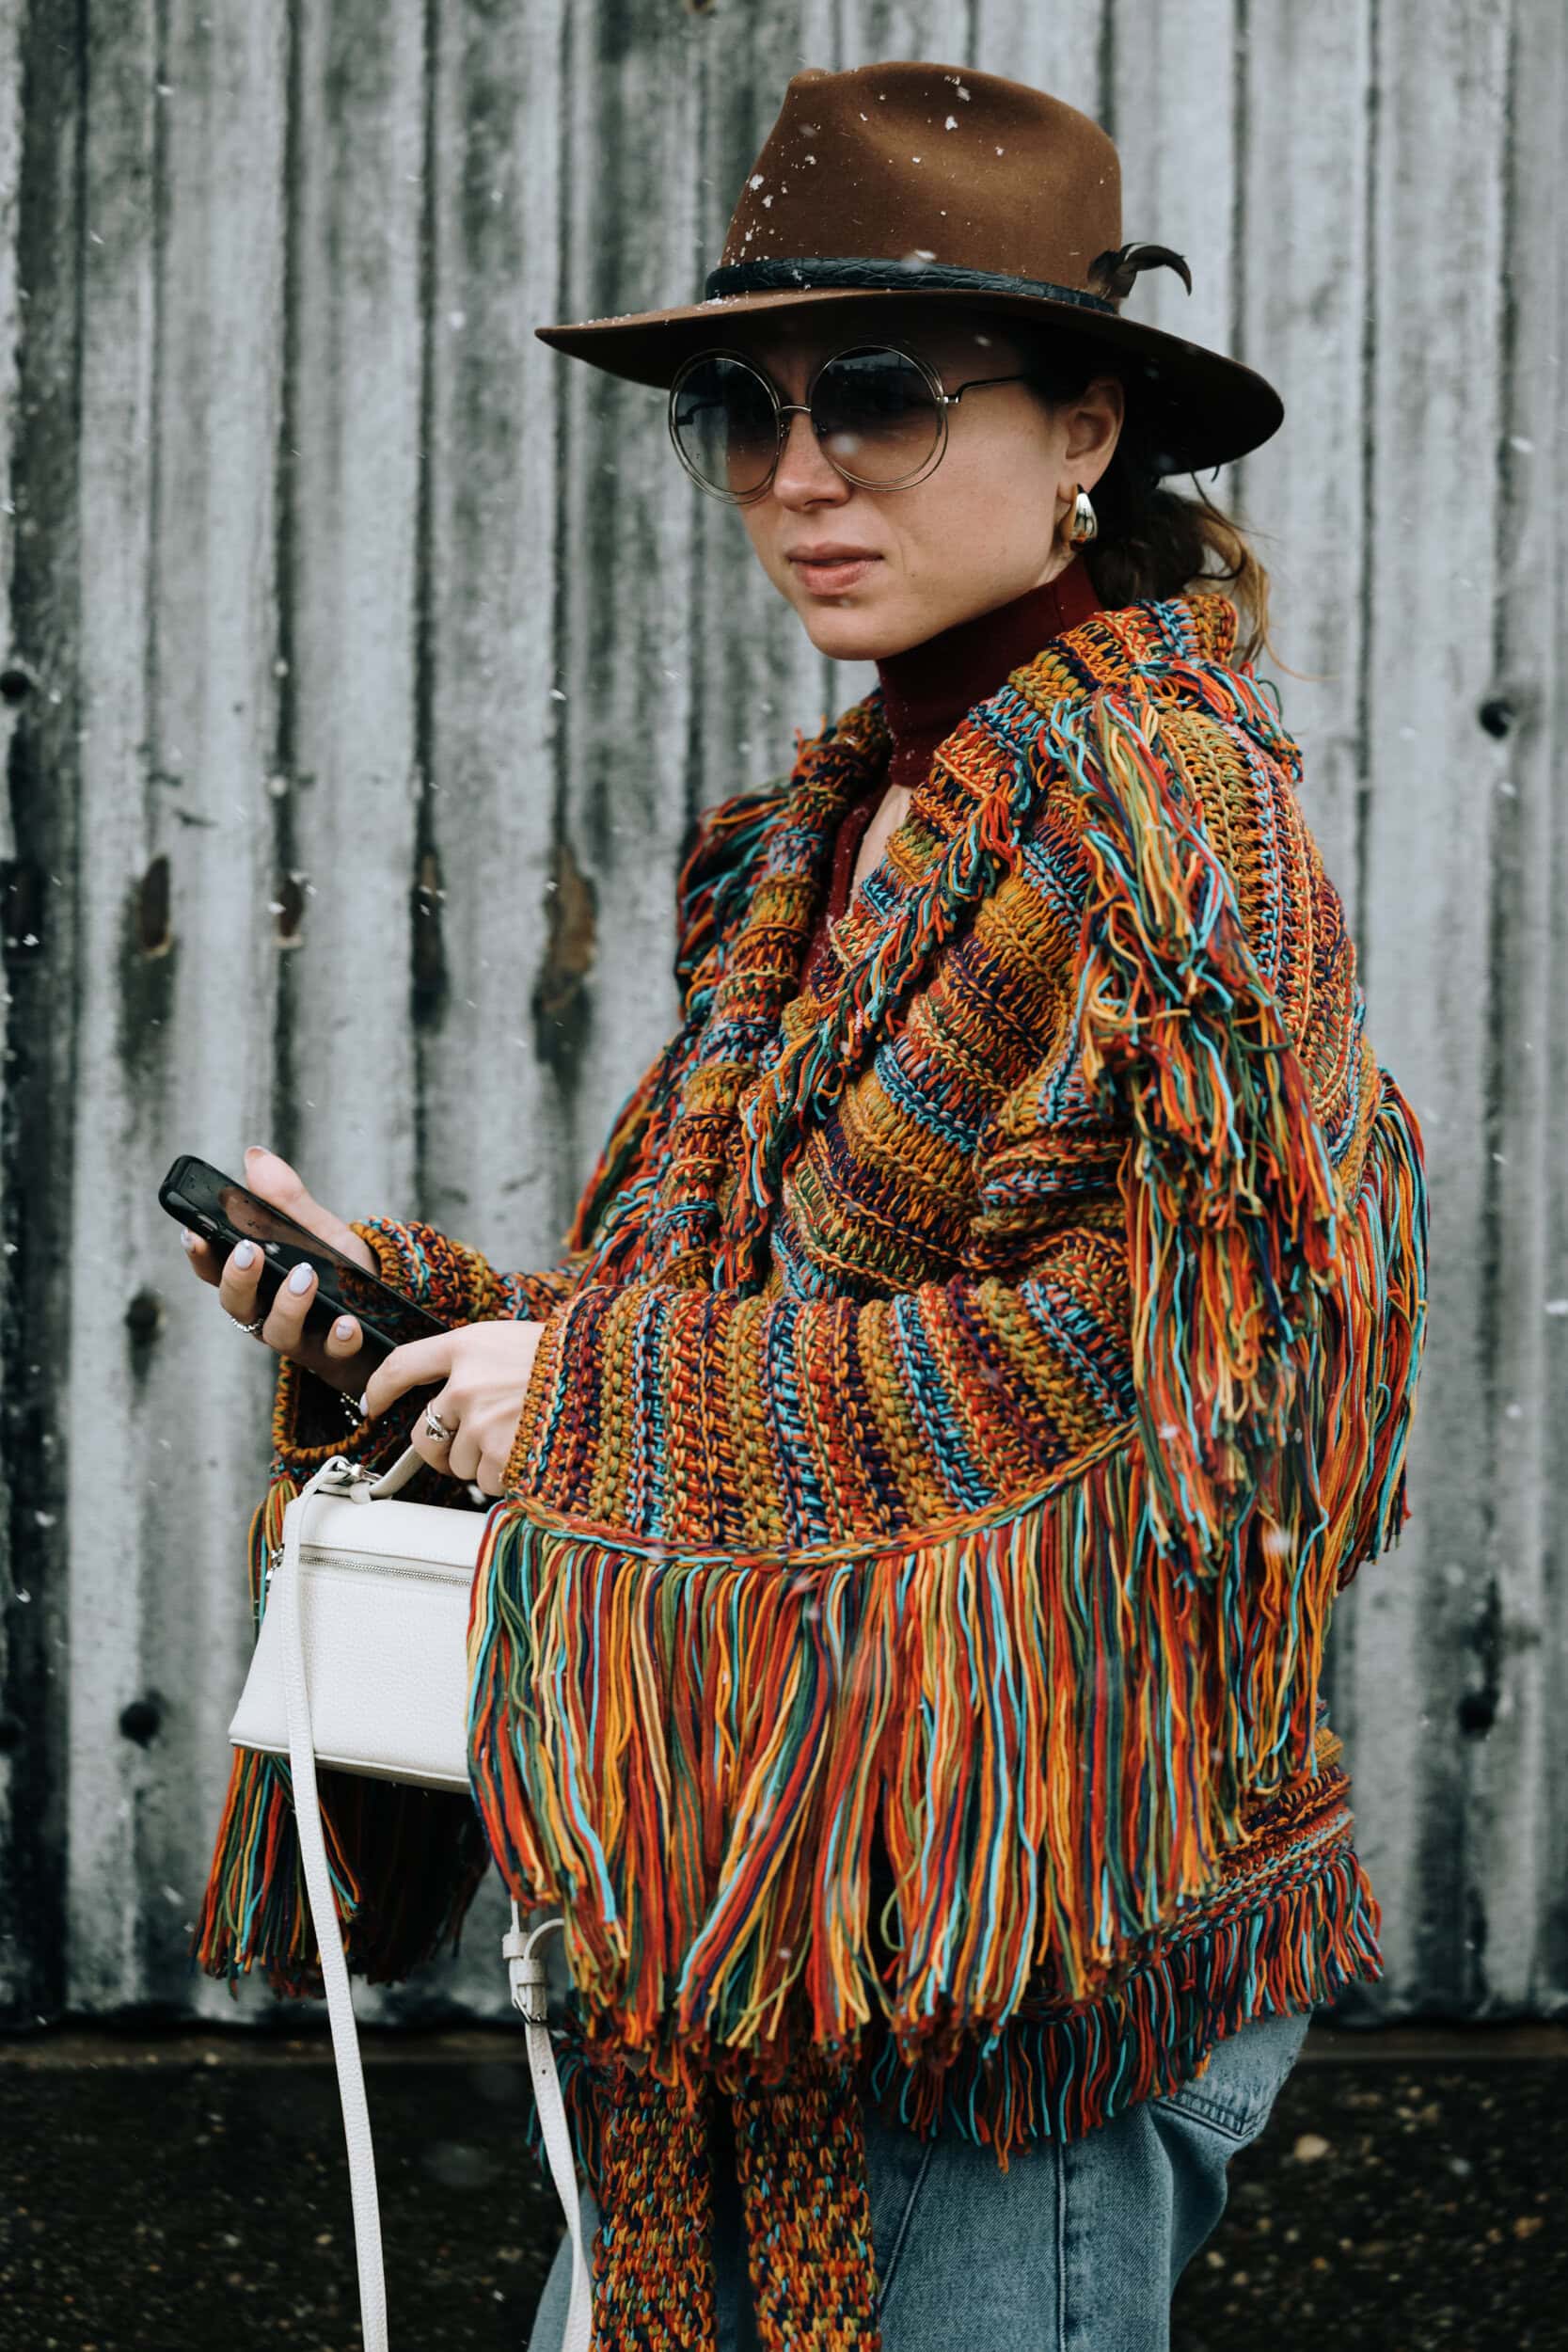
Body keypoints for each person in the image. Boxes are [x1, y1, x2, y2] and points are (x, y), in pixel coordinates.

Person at [180, 60, 1428, 2352]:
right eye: (740, 412)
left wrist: (595, 1390)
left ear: (1085, 430)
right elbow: (757, 1316)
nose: (797, 471)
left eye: (876, 395)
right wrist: (437, 1323)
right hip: (774, 1902)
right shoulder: (829, 833)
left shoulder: (1171, 820)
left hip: (1019, 1958)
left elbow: (1209, 1387)